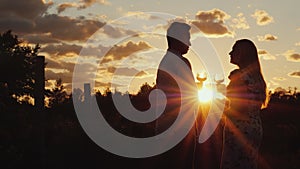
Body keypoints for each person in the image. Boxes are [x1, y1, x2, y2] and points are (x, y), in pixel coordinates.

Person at [154, 22, 198, 169]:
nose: (190, 43)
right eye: (187, 38)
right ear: (178, 39)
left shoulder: (168, 61)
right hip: (178, 128)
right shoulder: (179, 62)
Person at [220, 39, 268, 169]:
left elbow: (238, 109)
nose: (230, 53)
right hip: (255, 128)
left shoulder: (240, 77)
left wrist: (218, 110)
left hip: (239, 130)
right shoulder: (257, 78)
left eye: (234, 50)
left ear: (242, 54)